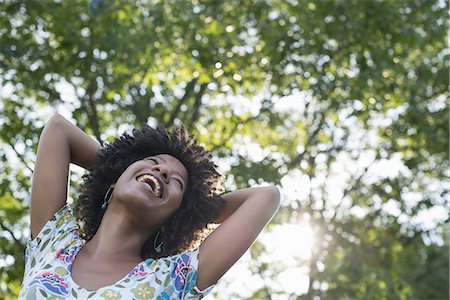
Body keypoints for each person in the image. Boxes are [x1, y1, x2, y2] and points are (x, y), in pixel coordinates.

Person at [19, 113, 280, 299]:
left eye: (176, 181)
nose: (163, 170)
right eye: (152, 161)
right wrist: (117, 168)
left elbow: (265, 197)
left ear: (173, 219)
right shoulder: (53, 244)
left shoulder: (175, 279)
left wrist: (192, 210)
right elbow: (58, 129)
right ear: (112, 183)